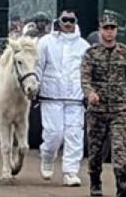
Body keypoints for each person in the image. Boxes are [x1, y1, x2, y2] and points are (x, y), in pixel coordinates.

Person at [80, 12, 126, 197]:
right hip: (97, 110)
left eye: (112, 29)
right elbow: (85, 79)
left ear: (117, 31)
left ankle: (121, 182)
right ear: (99, 31)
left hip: (120, 108)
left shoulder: (125, 53)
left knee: (119, 147)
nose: (109, 33)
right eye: (106, 28)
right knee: (96, 150)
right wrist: (90, 94)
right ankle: (95, 181)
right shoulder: (91, 54)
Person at [37, 10, 91, 186]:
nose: (68, 23)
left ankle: (70, 172)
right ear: (58, 22)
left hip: (75, 97)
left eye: (71, 20)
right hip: (51, 95)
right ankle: (47, 156)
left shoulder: (84, 46)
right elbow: (38, 66)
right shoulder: (45, 42)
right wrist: (35, 87)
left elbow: (88, 72)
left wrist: (88, 92)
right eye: (64, 20)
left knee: (74, 134)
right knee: (54, 134)